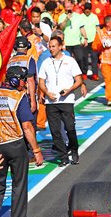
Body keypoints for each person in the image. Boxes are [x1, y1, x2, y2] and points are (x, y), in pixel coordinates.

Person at [0, 66, 44, 217]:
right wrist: (36, 150)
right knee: (19, 184)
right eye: (24, 79)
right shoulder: (18, 96)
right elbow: (26, 126)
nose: (25, 83)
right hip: (15, 144)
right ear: (16, 80)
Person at [38, 37, 83, 166]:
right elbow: (41, 82)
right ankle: (63, 156)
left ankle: (74, 150)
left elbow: (78, 80)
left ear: (60, 46)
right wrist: (47, 93)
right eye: (50, 46)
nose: (51, 49)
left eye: (53, 46)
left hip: (67, 101)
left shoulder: (70, 61)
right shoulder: (46, 62)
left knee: (70, 128)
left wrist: (69, 90)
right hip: (51, 102)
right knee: (55, 131)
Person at [9, 37, 38, 113]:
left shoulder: (10, 61)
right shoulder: (29, 60)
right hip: (25, 96)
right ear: (28, 46)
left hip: (12, 97)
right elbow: (30, 80)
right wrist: (33, 101)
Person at [80, 3, 100, 80]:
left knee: (94, 57)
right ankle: (84, 73)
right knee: (84, 57)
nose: (87, 11)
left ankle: (95, 74)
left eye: (89, 9)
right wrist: (83, 39)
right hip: (84, 40)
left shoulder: (94, 17)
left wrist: (99, 38)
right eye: (86, 9)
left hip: (93, 40)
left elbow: (97, 27)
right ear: (84, 9)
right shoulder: (81, 17)